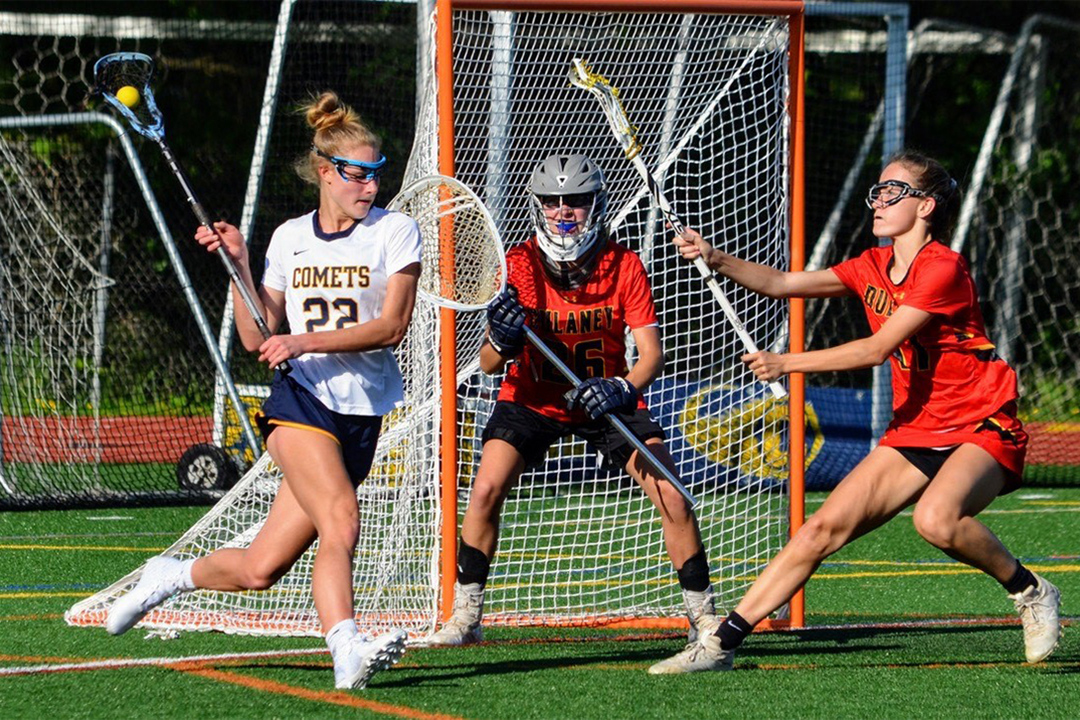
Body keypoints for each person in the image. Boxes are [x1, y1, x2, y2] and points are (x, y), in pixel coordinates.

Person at [666, 149, 1061, 671]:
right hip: (917, 428)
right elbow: (784, 284)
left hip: (981, 421)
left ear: (926, 206)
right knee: (818, 531)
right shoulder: (870, 264)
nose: (878, 200)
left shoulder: (941, 267)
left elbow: (876, 350)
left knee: (937, 520)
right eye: (877, 189)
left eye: (893, 191)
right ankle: (720, 645)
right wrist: (715, 258)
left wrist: (788, 362)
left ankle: (1030, 590)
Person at [105, 91, 422, 691]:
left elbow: (392, 326)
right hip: (300, 404)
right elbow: (258, 335)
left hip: (361, 413)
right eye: (358, 174)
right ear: (326, 173)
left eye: (377, 174)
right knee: (342, 519)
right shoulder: (288, 239)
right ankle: (346, 649)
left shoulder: (395, 233)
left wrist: (303, 342)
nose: (371, 186)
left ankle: (168, 574)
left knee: (261, 569)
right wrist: (240, 267)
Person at [416, 153, 719, 674]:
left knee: (671, 490)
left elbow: (651, 354)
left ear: (594, 204)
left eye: (575, 201)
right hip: (532, 398)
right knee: (486, 487)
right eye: (553, 201)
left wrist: (621, 387)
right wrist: (500, 337)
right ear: (537, 205)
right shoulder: (518, 264)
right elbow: (490, 364)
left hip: (604, 400)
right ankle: (466, 613)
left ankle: (704, 621)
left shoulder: (625, 264)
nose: (564, 212)